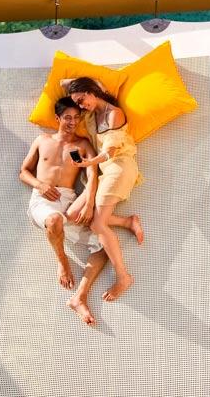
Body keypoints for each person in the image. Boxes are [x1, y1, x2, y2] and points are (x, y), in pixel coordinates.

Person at [18, 96, 139, 325]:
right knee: (54, 220)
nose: (72, 122)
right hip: (43, 200)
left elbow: (93, 174)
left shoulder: (82, 145)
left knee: (105, 247)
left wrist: (90, 202)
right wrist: (40, 185)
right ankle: (62, 262)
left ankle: (80, 297)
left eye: (76, 117)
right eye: (67, 117)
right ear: (57, 118)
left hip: (68, 199)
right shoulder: (42, 140)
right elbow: (23, 171)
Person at [67, 77, 145, 302]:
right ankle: (126, 222)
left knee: (97, 223)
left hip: (119, 167)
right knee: (73, 215)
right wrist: (91, 85)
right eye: (78, 103)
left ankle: (123, 277)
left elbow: (110, 151)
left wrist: (87, 164)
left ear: (91, 92)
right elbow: (65, 83)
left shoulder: (114, 114)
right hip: (104, 172)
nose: (81, 106)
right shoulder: (93, 112)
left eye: (82, 99)